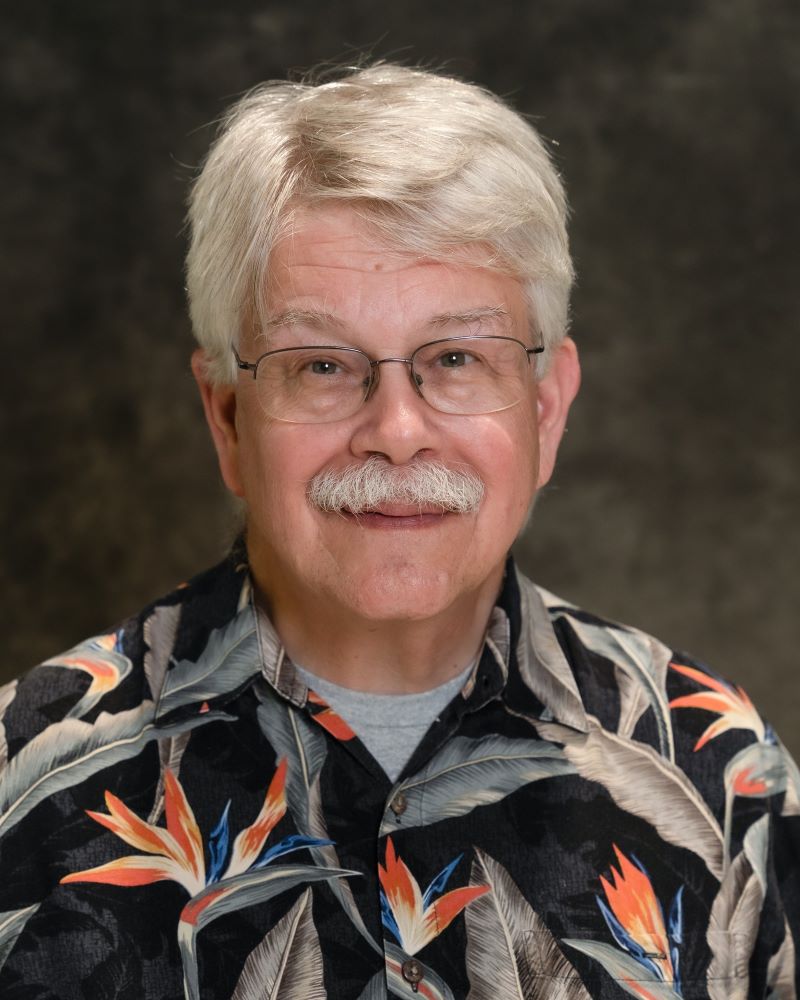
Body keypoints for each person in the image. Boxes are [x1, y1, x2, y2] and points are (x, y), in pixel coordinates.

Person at [0, 62, 797, 1000]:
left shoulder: (720, 774)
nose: (396, 430)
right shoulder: (20, 783)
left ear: (546, 407)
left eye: (456, 357)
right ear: (226, 418)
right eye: (322, 365)